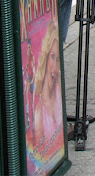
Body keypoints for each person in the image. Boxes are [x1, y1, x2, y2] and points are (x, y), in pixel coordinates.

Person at [34, 22, 62, 150]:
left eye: (57, 59)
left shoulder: (57, 85)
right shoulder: (39, 112)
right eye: (52, 57)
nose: (55, 67)